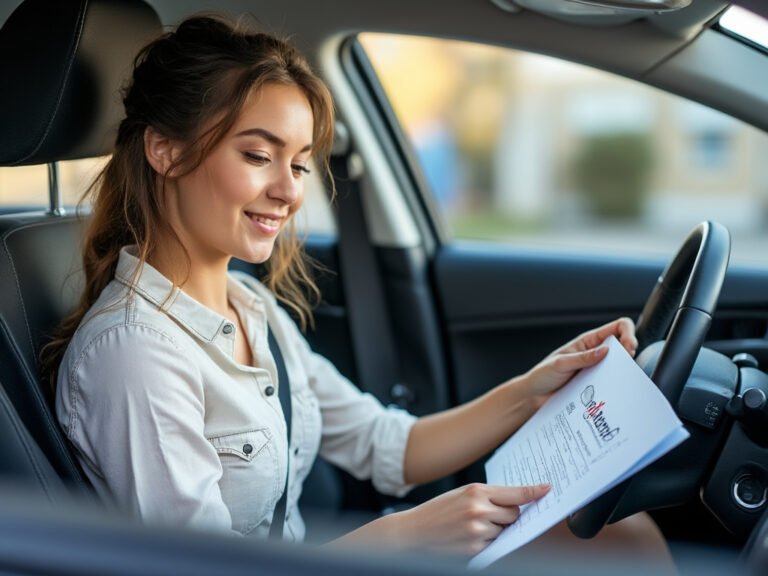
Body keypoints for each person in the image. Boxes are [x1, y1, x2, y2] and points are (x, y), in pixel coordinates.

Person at [43, 14, 664, 560]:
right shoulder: (133, 353)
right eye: (259, 156)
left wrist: (535, 387)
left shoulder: (249, 309)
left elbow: (385, 443)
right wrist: (407, 535)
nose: (289, 191)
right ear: (166, 153)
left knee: (619, 532)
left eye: (300, 163)